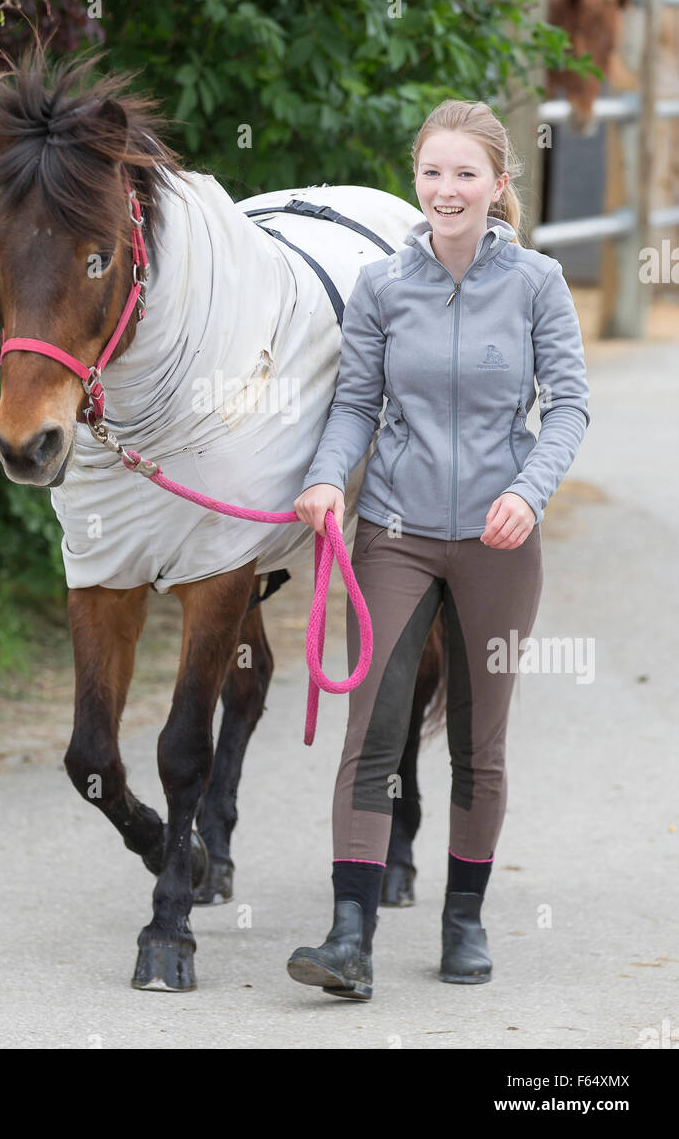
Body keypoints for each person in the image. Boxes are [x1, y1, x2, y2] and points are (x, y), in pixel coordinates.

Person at [286, 99, 591, 1001]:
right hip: (395, 533)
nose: (446, 190)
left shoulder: (538, 282)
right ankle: (350, 937)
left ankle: (464, 919)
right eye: (431, 172)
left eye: (466, 174)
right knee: (370, 734)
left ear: (500, 185)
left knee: (478, 743)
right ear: (414, 180)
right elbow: (354, 406)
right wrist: (328, 479)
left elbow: (567, 405)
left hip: (500, 542)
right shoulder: (384, 285)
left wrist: (526, 493)